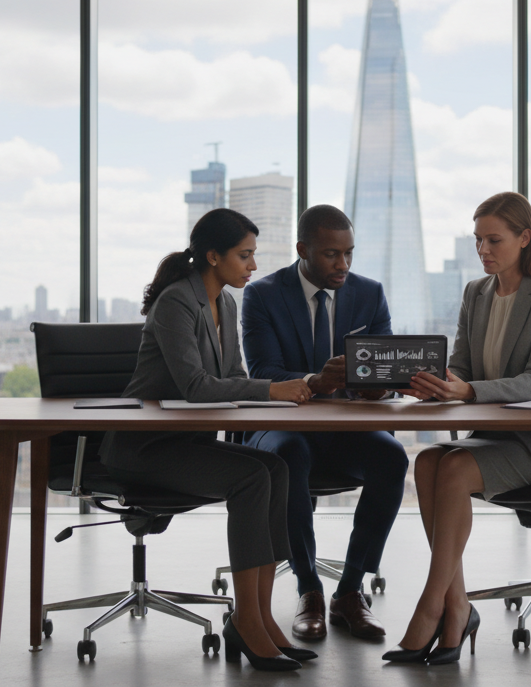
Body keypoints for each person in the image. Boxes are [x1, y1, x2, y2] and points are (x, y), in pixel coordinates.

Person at [99, 208, 314, 672]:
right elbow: (195, 385)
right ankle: (248, 623)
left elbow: (234, 376)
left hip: (186, 443)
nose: (253, 267)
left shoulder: (227, 303)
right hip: (143, 448)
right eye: (245, 255)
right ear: (213, 256)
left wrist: (278, 395)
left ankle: (260, 617)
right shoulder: (177, 302)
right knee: (251, 479)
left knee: (274, 468)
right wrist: (270, 389)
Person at [382, 192, 531, 666]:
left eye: (494, 239)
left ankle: (432, 607)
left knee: (452, 469)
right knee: (431, 461)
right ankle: (457, 606)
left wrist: (468, 392)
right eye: (478, 240)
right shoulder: (476, 292)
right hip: (495, 438)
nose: (483, 250)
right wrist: (438, 384)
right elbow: (460, 365)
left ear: (524, 237)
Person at [239, 204, 407, 641]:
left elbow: (385, 370)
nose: (343, 265)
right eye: (332, 254)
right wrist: (314, 381)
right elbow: (261, 373)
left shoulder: (369, 294)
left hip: (346, 428)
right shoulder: (263, 295)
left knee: (392, 458)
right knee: (290, 454)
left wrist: (379, 389)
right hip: (284, 427)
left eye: (349, 253)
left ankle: (350, 591)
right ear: (303, 250)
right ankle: (308, 587)